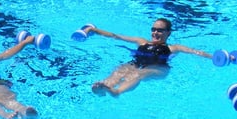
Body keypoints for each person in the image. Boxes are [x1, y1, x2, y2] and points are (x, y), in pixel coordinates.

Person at [83, 18, 212, 96]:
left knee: (140, 73)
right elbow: (115, 36)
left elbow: (197, 52)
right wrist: (93, 30)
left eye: (160, 30)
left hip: (159, 69)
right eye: (153, 29)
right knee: (121, 69)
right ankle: (103, 88)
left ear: (168, 33)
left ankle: (117, 92)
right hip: (137, 64)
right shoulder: (141, 41)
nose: (155, 32)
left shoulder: (174, 48)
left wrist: (219, 58)